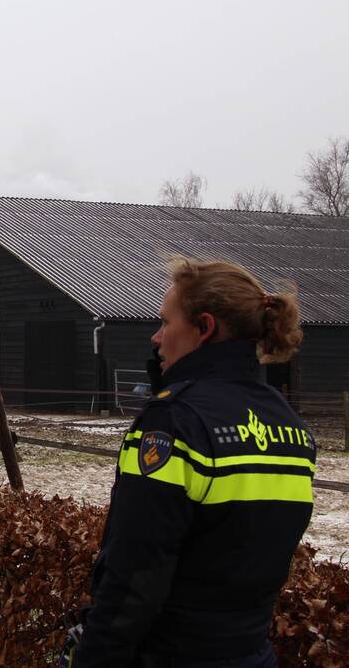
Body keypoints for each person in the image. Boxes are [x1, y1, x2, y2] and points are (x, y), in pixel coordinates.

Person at [67, 257, 315, 667]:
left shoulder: (174, 421)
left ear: (204, 327)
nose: (156, 338)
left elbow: (136, 577)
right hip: (252, 654)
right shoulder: (290, 425)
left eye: (166, 322)